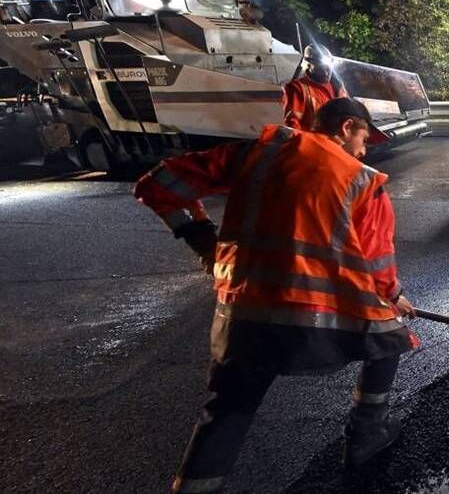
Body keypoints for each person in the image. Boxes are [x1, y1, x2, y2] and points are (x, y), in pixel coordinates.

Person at [134, 97, 419, 493]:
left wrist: (201, 238)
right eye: (364, 137)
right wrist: (395, 296)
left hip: (245, 308)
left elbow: (156, 185)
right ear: (347, 126)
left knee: (229, 406)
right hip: (320, 313)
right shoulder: (362, 180)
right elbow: (377, 266)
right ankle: (367, 432)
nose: (365, 148)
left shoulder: (258, 151)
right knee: (392, 335)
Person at [282, 43, 347, 131]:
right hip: (313, 141)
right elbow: (293, 124)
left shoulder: (338, 87)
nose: (327, 72)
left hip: (336, 141)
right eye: (321, 67)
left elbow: (348, 114)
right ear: (309, 66)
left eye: (328, 67)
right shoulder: (298, 88)